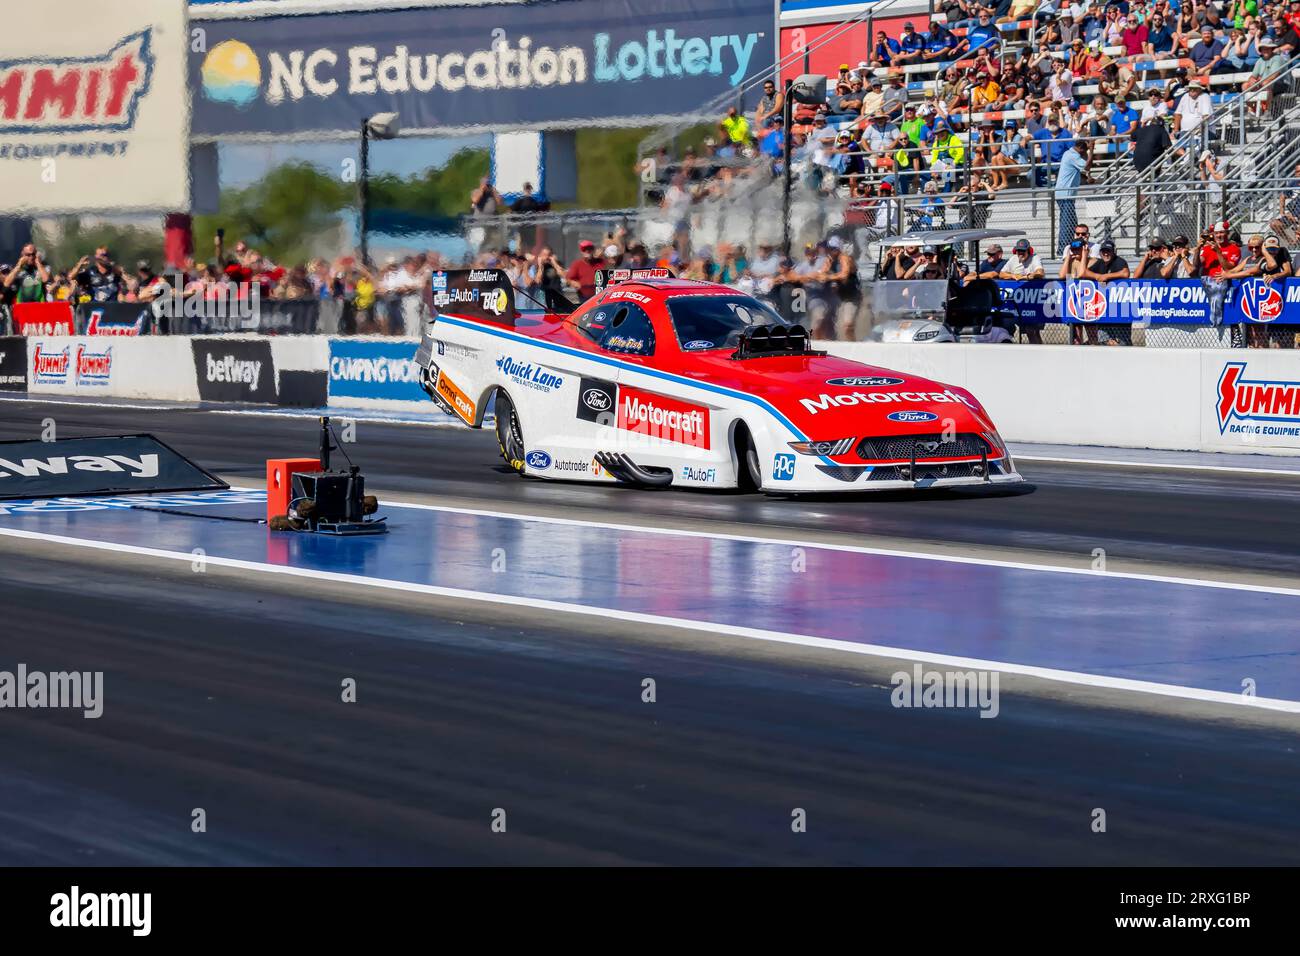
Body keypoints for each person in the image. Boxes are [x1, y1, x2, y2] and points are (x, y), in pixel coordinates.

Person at [1055, 139, 1090, 256]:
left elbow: (1075, 172)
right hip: (1066, 195)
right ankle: (1062, 251)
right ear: (1081, 149)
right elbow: (1088, 166)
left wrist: (1086, 179)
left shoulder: (1068, 154)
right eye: (1084, 152)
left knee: (1072, 223)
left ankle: (1069, 248)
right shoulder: (1073, 156)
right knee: (1067, 224)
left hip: (1064, 194)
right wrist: (1092, 151)